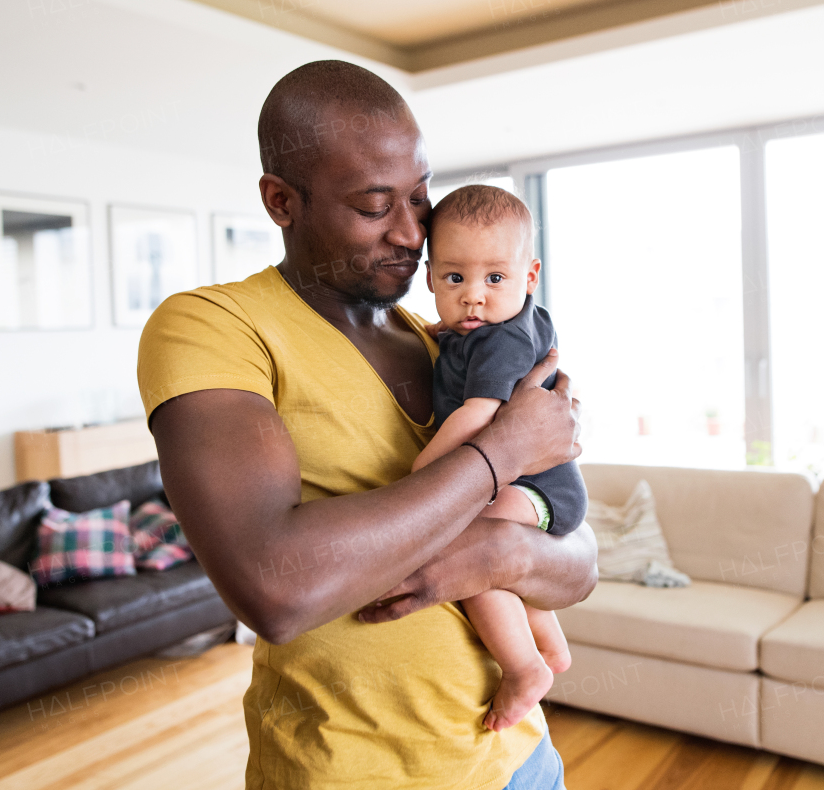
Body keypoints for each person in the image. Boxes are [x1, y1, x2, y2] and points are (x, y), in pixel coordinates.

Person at [137, 60, 597, 790]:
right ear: (282, 201)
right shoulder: (213, 327)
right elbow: (277, 588)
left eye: (420, 196)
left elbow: (579, 565)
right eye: (375, 205)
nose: (414, 232)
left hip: (521, 759)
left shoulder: (444, 343)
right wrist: (500, 453)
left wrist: (490, 554)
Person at [412, 184, 588, 732]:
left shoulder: (501, 341)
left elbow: (476, 416)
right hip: (540, 484)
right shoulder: (505, 324)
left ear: (529, 277)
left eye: (494, 278)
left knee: (471, 546)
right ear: (430, 279)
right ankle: (551, 647)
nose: (473, 297)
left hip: (539, 487)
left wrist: (419, 475)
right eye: (454, 278)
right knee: (498, 553)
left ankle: (522, 667)